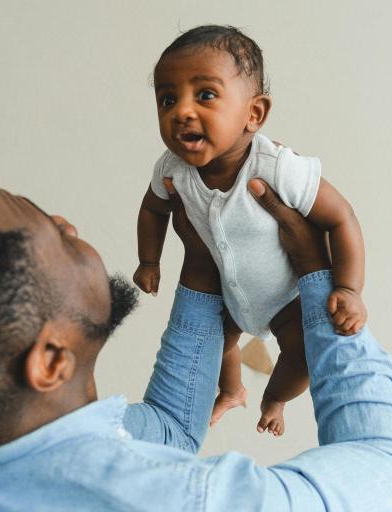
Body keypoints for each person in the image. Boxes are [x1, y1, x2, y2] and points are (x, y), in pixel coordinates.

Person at [0, 128, 392, 511]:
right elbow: (385, 461)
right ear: (50, 360)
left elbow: (168, 430)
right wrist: (316, 272)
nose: (68, 223)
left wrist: (198, 268)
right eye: (53, 236)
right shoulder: (179, 503)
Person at [133, 25, 367, 435]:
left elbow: (341, 217)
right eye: (167, 99)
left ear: (253, 114)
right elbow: (153, 210)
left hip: (287, 298)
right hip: (229, 295)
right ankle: (233, 390)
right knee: (217, 346)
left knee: (302, 357)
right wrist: (148, 259)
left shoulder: (277, 168)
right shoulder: (171, 170)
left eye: (205, 95)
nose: (182, 111)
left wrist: (348, 289)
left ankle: (273, 399)